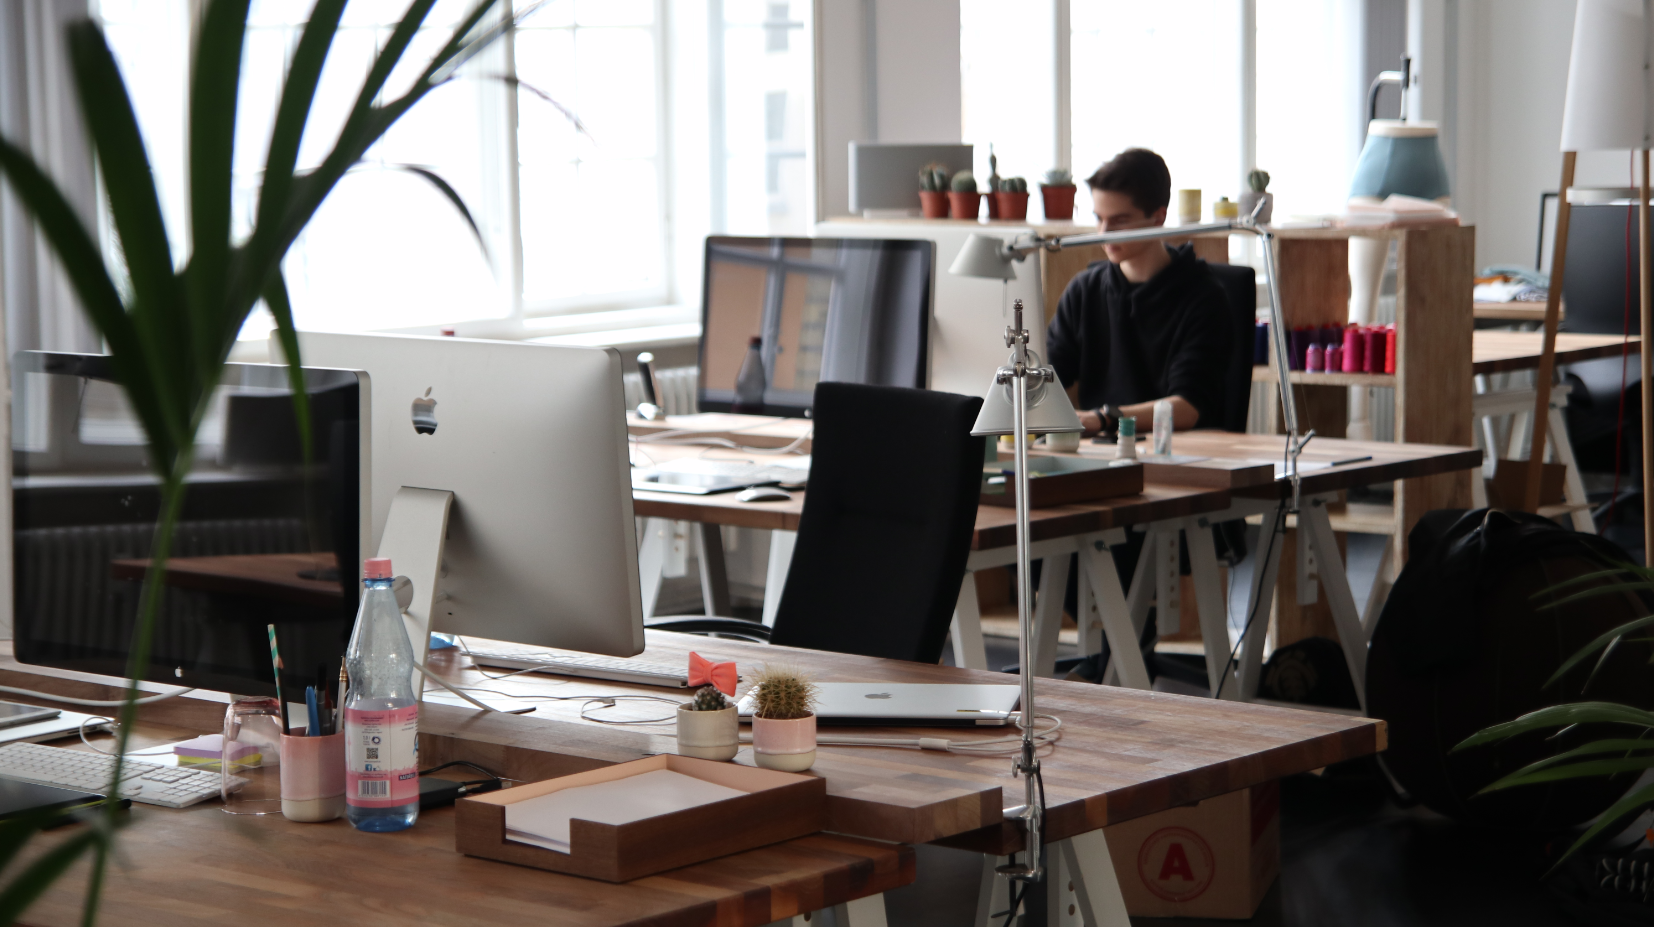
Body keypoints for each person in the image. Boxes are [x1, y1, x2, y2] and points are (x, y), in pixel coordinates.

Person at [1046, 148, 1232, 439]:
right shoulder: (1084, 290)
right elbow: (1047, 378)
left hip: (1180, 455)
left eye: (1119, 220)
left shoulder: (1204, 296)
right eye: (1099, 218)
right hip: (1098, 453)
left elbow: (1188, 407)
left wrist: (1104, 419)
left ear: (1158, 217)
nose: (1104, 232)